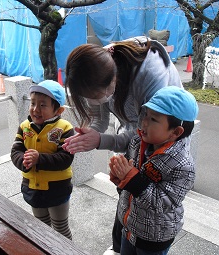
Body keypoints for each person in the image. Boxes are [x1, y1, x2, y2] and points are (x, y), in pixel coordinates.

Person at [62, 37, 183, 254]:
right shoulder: (97, 72)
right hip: (140, 139)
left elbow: (144, 135)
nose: (100, 101)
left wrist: (101, 141)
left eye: (101, 96)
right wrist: (87, 136)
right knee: (128, 195)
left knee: (147, 199)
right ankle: (124, 241)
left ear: (113, 79)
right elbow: (101, 120)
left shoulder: (149, 77)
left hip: (161, 143)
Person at [109, 86, 199, 255]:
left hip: (154, 237)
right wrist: (121, 180)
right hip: (129, 225)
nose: (144, 123)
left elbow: (163, 202)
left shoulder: (183, 165)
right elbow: (130, 178)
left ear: (175, 132)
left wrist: (131, 180)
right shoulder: (138, 143)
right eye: (146, 115)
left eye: (153, 120)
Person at [11, 80, 74, 240]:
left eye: (42, 105)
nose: (35, 109)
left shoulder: (65, 128)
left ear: (58, 110)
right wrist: (23, 161)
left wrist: (39, 159)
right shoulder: (25, 126)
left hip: (57, 188)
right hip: (32, 187)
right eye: (32, 103)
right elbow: (16, 150)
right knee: (41, 227)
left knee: (60, 227)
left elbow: (65, 158)